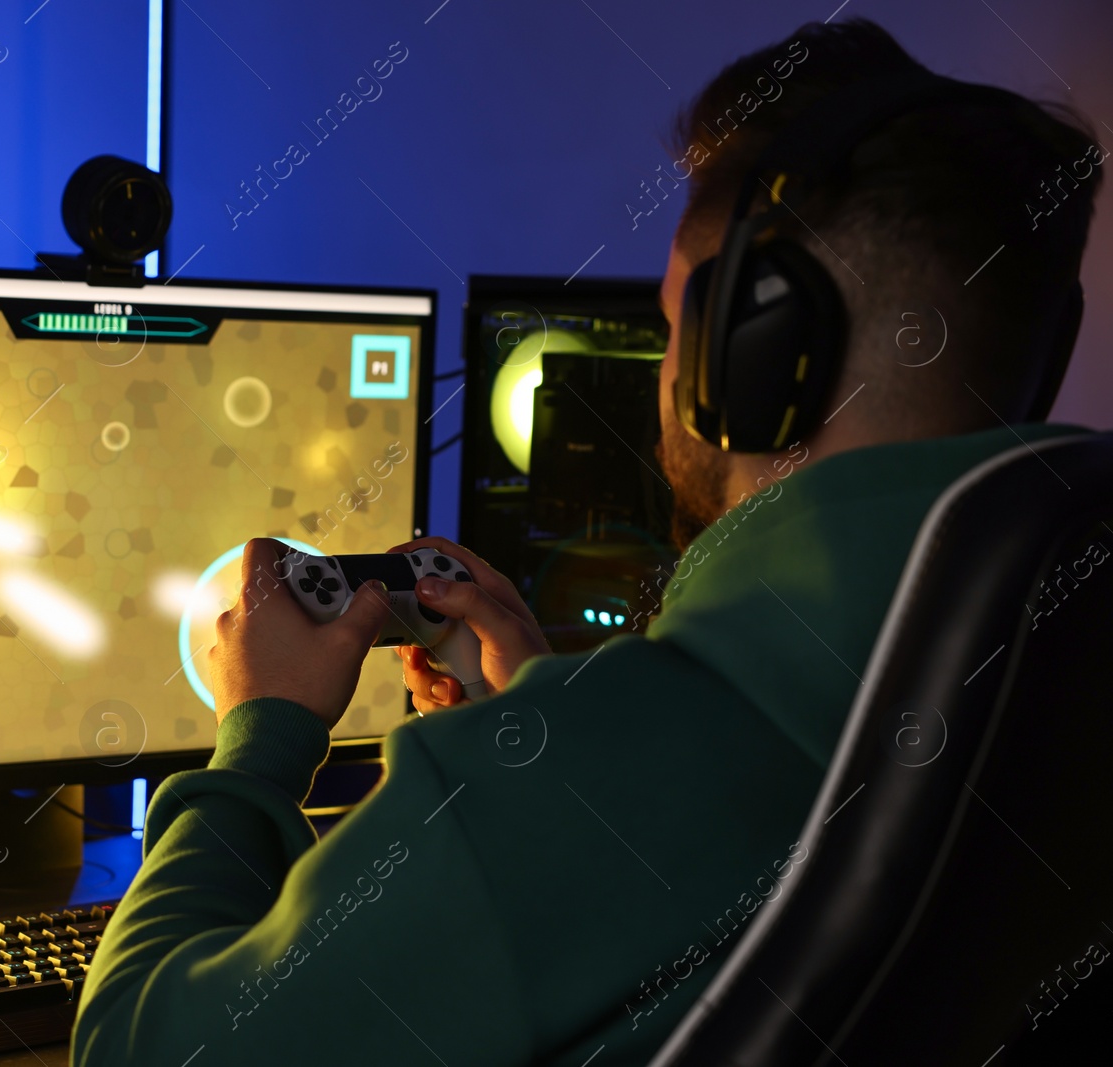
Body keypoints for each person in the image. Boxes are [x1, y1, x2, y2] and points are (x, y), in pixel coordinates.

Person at [72, 18, 1103, 1066]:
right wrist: (551, 710)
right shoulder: (1044, 677)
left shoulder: (586, 790)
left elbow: (138, 1048)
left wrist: (264, 730)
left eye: (670, 335)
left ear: (745, 354)